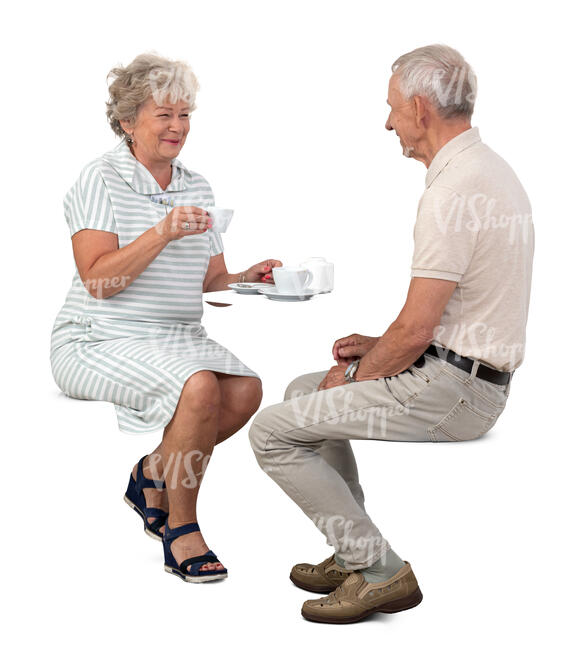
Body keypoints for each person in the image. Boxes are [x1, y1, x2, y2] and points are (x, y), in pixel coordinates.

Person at [249, 44, 534, 623]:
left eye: (393, 108)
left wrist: (359, 369)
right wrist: (380, 349)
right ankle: (353, 549)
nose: (388, 122)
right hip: (463, 373)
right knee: (305, 391)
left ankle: (382, 571)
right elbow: (445, 315)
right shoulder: (485, 168)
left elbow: (418, 326)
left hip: (457, 393)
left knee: (271, 432)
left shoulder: (452, 191)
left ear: (422, 108)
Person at [50, 53, 282, 583]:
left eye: (185, 115)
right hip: (95, 338)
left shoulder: (196, 186)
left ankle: (152, 472)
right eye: (164, 115)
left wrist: (251, 275)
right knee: (200, 387)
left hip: (174, 336)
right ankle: (182, 528)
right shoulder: (99, 179)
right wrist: (161, 231)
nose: (178, 127)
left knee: (246, 389)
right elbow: (98, 281)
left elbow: (210, 279)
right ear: (129, 122)